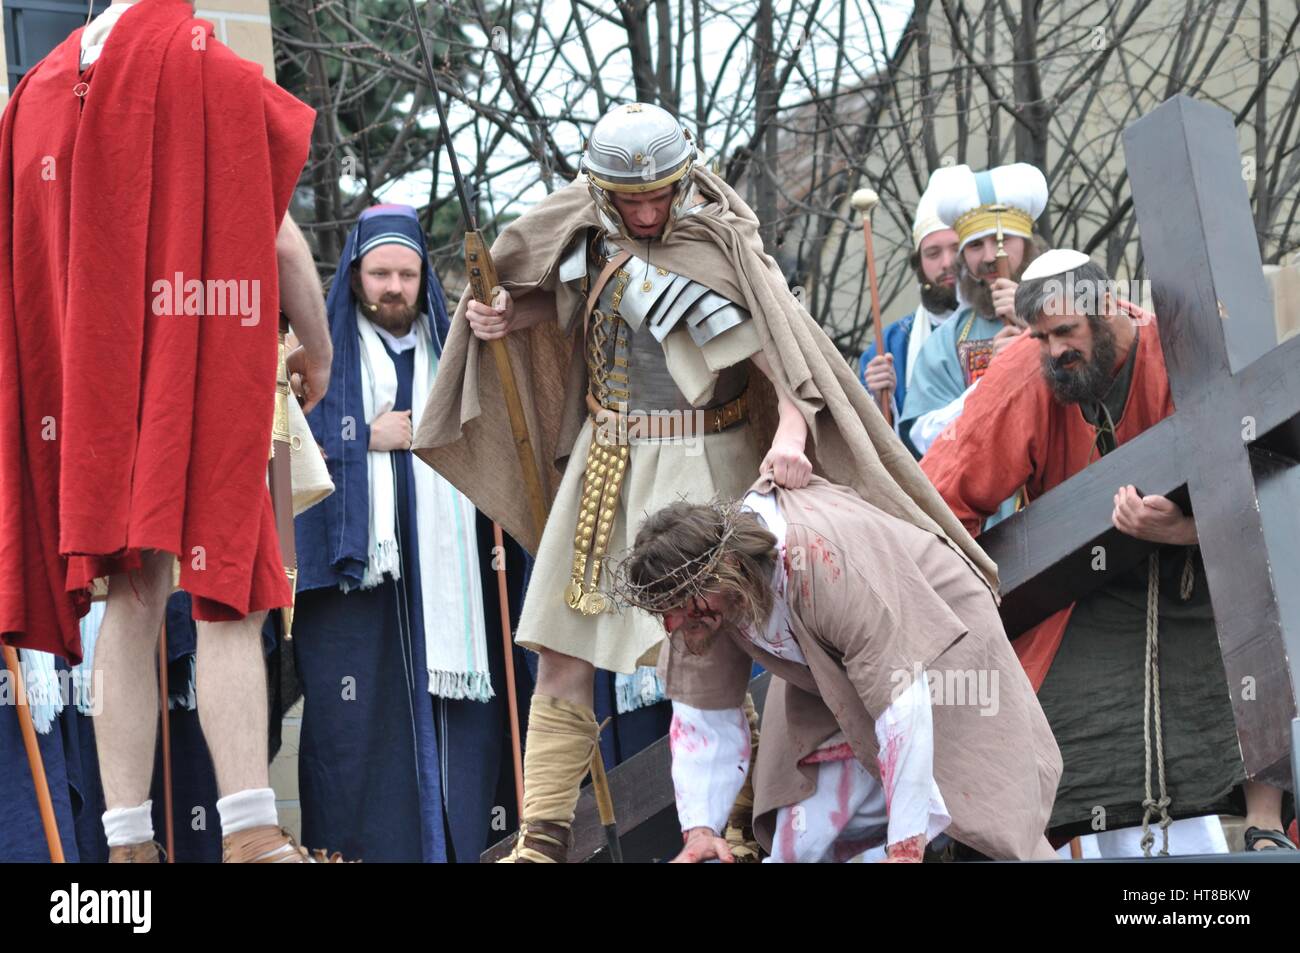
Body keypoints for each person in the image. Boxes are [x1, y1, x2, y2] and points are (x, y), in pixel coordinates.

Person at [413, 101, 997, 862]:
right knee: (561, 643)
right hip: (607, 469)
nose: (650, 211)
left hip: (710, 464)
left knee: (720, 641)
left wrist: (792, 436)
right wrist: (503, 314)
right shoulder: (587, 235)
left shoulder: (722, 242)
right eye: (634, 199)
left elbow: (787, 356)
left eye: (660, 193)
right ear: (605, 194)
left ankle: (730, 823)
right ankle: (542, 837)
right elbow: (561, 304)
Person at [0, 0, 333, 863]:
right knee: (226, 585)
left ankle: (128, 845)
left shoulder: (33, 90)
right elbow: (283, 243)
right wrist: (320, 350)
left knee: (132, 594)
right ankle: (254, 833)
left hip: (88, 393)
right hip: (193, 371)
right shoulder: (204, 65)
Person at [921, 249, 1293, 855]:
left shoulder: (1185, 361)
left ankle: (1265, 826)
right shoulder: (1026, 373)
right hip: (1078, 593)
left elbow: (1272, 498)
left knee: (1254, 656)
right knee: (1037, 730)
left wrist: (1182, 530)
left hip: (1198, 578)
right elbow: (944, 496)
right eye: (1041, 336)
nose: (1054, 352)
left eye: (1066, 332)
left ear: (1111, 312)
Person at [617, 474, 1061, 862]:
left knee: (985, 808)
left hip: (935, 639)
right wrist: (701, 830)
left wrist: (905, 847)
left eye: (680, 607)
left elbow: (901, 700)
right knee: (799, 835)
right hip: (829, 677)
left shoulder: (819, 562)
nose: (673, 623)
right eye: (665, 611)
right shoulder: (703, 603)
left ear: (729, 568)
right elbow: (702, 716)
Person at [900, 162, 1047, 461]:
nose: (991, 256)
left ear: (1028, 245)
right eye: (976, 245)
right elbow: (924, 438)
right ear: (964, 257)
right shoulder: (948, 341)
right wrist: (991, 382)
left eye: (1003, 239)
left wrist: (1039, 327)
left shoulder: (1074, 303)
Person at [858, 169, 961, 453]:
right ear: (919, 263)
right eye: (933, 253)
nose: (947, 263)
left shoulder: (1000, 324)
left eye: (957, 249)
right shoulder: (889, 345)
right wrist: (881, 400)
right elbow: (871, 452)